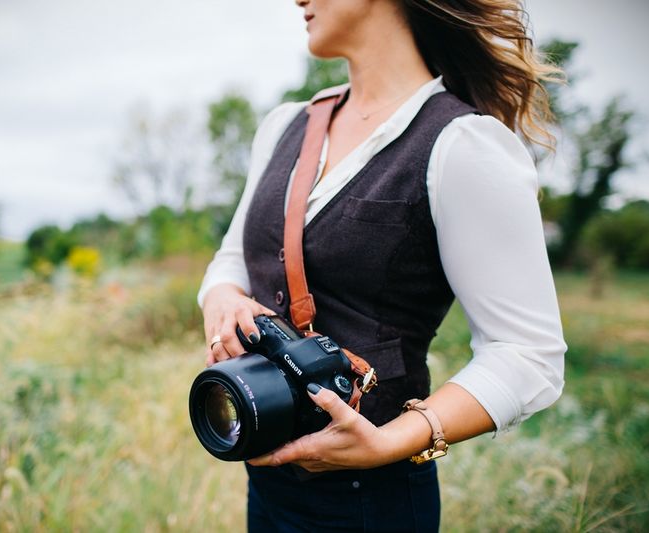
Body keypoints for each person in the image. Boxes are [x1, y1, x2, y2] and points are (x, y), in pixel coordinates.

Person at [197, 0, 567, 531]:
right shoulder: (285, 127)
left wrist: (391, 440)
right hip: (266, 479)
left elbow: (528, 354)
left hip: (370, 502)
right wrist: (224, 298)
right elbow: (232, 259)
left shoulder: (464, 144)